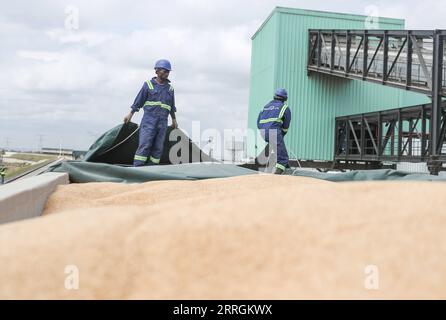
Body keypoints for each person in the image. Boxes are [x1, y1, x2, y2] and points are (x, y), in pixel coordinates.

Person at [124, 59, 178, 166]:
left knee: (158, 148)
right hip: (149, 122)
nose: (166, 73)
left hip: (162, 123)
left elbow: (171, 106)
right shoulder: (148, 85)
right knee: (145, 145)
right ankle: (138, 169)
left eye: (168, 71)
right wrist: (130, 114)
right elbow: (138, 101)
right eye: (164, 70)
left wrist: (174, 120)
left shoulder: (170, 89)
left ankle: (152, 170)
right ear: (157, 71)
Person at [257, 88, 291, 174]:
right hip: (274, 132)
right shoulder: (284, 107)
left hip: (263, 132)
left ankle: (288, 170)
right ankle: (276, 177)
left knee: (279, 151)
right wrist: (281, 134)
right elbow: (286, 126)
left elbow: (258, 122)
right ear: (285, 99)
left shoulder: (265, 107)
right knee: (283, 158)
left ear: (274, 96)